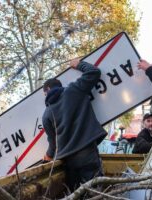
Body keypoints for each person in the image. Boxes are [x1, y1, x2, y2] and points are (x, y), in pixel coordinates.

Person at [42, 59, 107, 192]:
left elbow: (53, 143)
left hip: (68, 160)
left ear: (47, 89)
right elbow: (94, 72)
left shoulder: (46, 114)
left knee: (76, 193)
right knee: (95, 191)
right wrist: (79, 64)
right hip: (87, 151)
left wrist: (48, 156)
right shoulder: (74, 90)